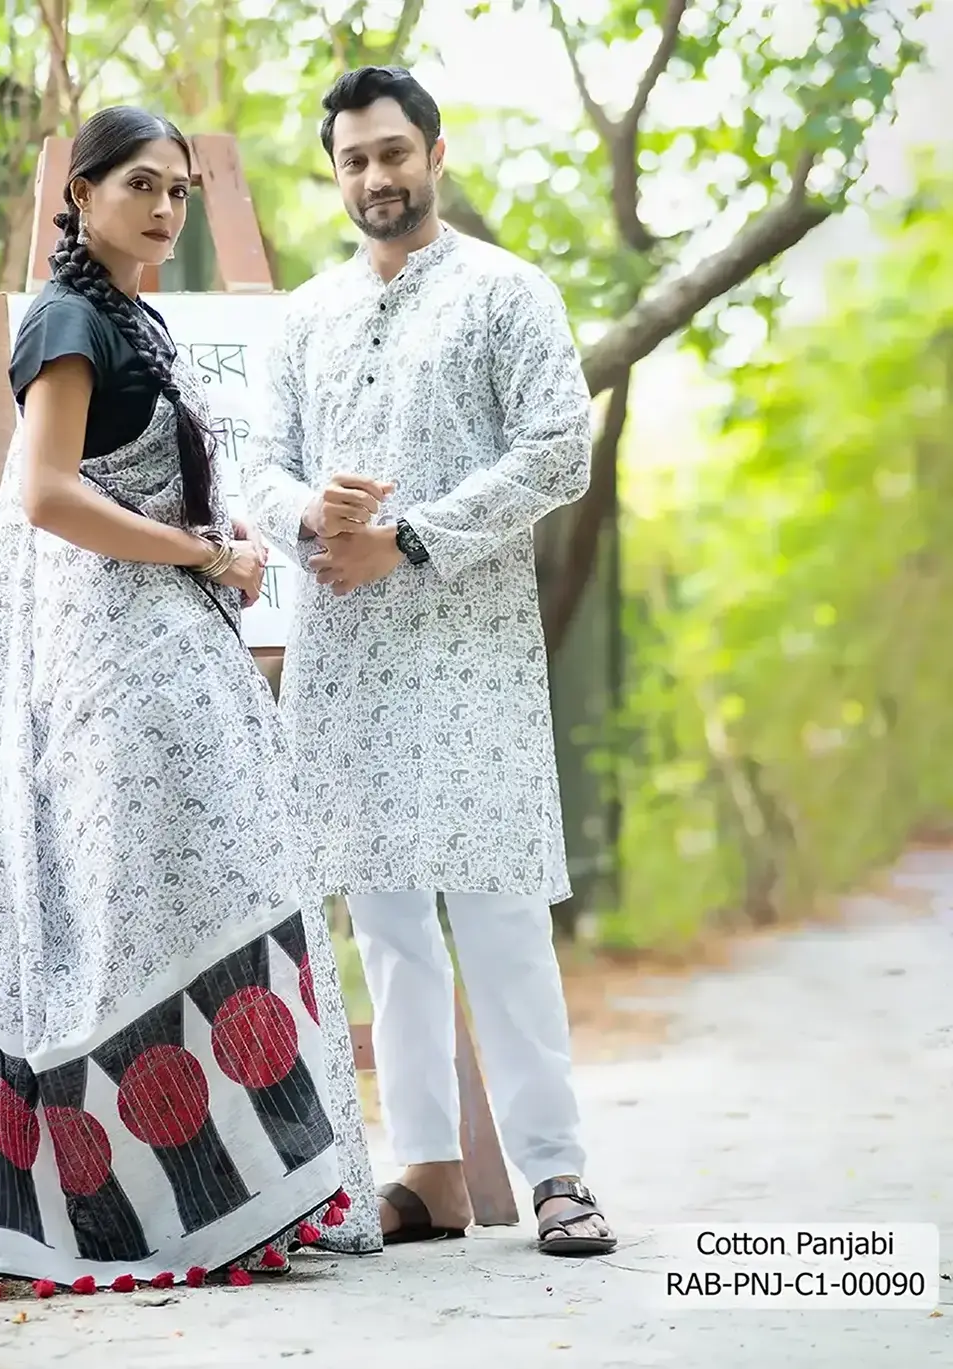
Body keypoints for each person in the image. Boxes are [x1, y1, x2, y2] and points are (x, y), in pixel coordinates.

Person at [0, 105, 381, 1290]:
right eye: (140, 185)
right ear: (81, 196)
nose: (164, 209)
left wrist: (224, 544)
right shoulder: (65, 320)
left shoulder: (137, 320)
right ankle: (126, 1215)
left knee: (201, 900)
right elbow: (51, 494)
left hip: (169, 655)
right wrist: (204, 553)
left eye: (178, 190)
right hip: (110, 672)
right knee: (124, 920)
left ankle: (236, 1202)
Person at [241, 67, 616, 1257]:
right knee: (385, 918)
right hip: (346, 656)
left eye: (394, 153)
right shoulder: (304, 316)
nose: (376, 177)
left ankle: (555, 1173)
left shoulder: (507, 291)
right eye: (354, 160)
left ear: (435, 155)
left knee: (498, 908)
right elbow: (259, 465)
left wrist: (406, 539)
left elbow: (557, 451)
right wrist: (312, 515)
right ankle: (430, 1173)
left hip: (470, 650)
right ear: (335, 173)